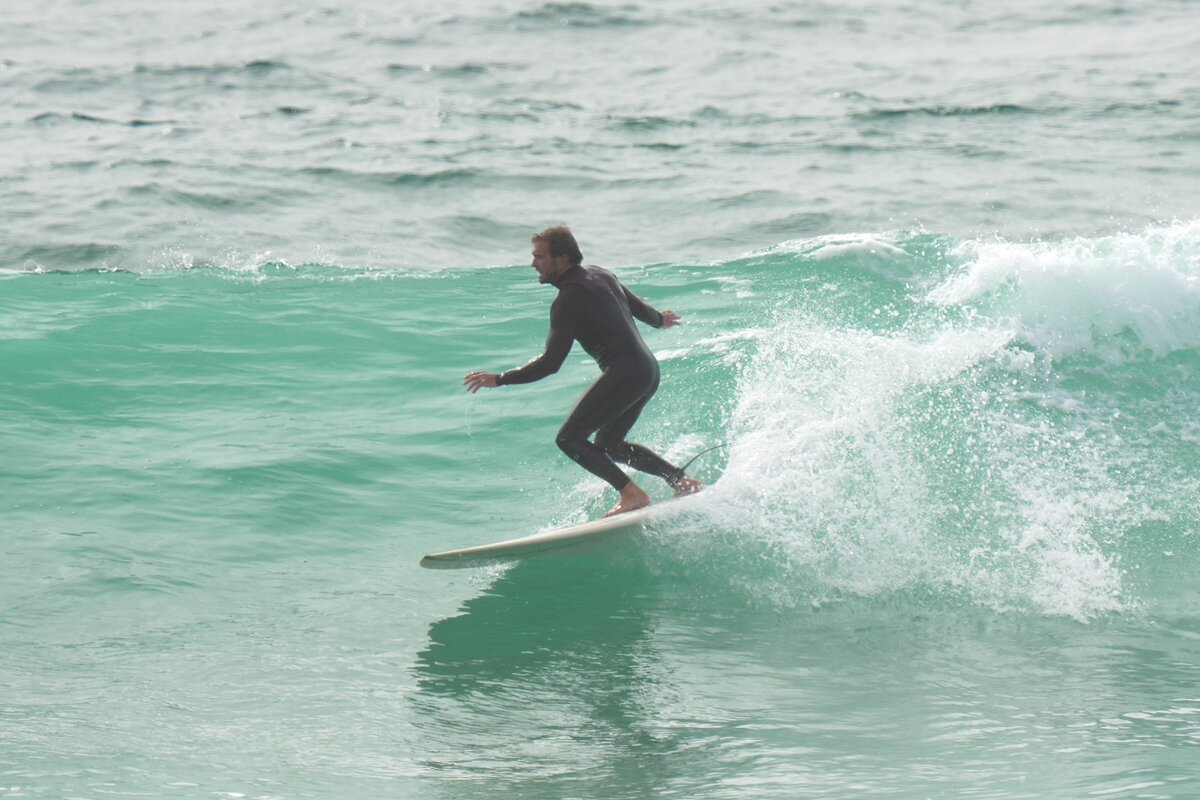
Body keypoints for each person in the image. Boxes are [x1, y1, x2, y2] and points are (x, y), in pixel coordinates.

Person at [464, 225, 703, 517]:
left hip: (625, 374)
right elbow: (639, 308)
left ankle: (632, 494)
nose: (533, 264)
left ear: (562, 259)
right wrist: (659, 319)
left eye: (540, 257)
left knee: (569, 438)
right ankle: (680, 480)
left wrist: (501, 379)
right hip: (647, 370)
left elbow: (551, 363)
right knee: (610, 444)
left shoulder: (568, 299)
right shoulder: (601, 274)